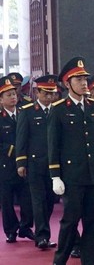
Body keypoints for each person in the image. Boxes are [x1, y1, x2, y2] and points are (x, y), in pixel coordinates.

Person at [48, 56, 94, 265]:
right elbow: (54, 145)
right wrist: (55, 176)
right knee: (70, 222)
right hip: (72, 176)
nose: (85, 83)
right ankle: (60, 260)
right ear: (67, 84)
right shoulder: (59, 109)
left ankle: (89, 260)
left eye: (85, 78)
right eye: (78, 79)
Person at [16, 74, 59, 249]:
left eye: (52, 94)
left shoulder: (57, 110)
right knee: (38, 201)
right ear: (36, 92)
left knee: (50, 201)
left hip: (54, 164)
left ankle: (44, 230)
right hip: (35, 164)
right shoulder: (27, 111)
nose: (49, 97)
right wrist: (21, 163)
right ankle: (42, 236)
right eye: (46, 93)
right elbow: (21, 139)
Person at [1, 75, 34, 244]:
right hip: (5, 165)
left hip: (24, 162)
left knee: (27, 198)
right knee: (7, 201)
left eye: (14, 94)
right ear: (1, 99)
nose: (13, 97)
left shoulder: (24, 112)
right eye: (8, 95)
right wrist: (14, 150)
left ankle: (26, 227)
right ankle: (11, 230)